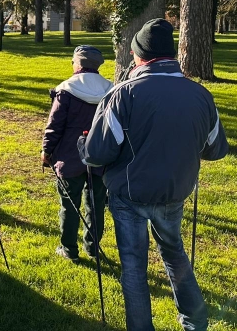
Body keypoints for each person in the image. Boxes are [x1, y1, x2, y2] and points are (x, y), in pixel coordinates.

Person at [80, 19, 229, 331]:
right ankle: (195, 320)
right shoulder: (200, 95)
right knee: (174, 254)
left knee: (133, 266)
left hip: (129, 196)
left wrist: (83, 144)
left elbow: (97, 153)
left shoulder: (123, 94)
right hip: (174, 192)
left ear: (139, 56)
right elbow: (216, 150)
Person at [41, 45, 113, 263]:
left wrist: (47, 150)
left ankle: (69, 249)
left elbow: (55, 125)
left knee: (69, 205)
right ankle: (92, 248)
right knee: (96, 204)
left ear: (78, 63)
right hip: (100, 157)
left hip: (68, 157)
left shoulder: (66, 90)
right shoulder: (111, 90)